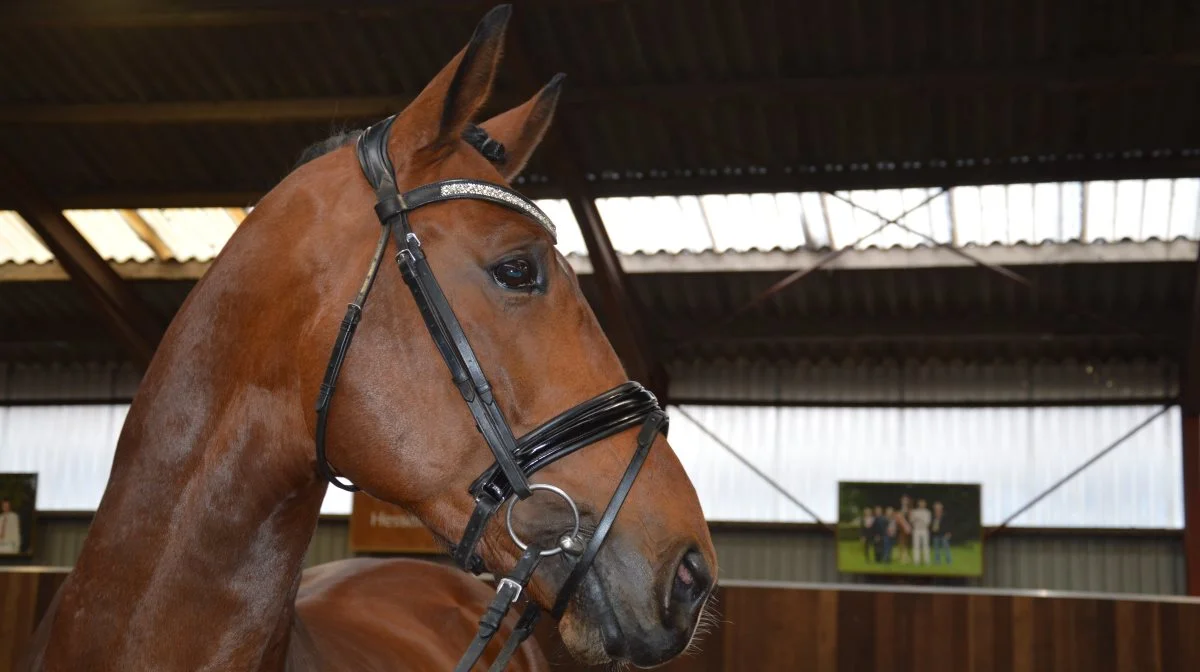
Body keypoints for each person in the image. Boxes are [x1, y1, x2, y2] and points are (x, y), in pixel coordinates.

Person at [909, 498, 932, 565]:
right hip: (916, 530)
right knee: (916, 545)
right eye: (920, 503)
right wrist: (914, 517)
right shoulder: (915, 511)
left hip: (924, 530)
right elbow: (911, 521)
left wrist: (919, 519)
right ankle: (916, 561)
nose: (922, 504)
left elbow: (928, 522)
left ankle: (927, 560)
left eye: (923, 503)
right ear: (918, 504)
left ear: (925, 504)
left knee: (925, 545)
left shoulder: (927, 512)